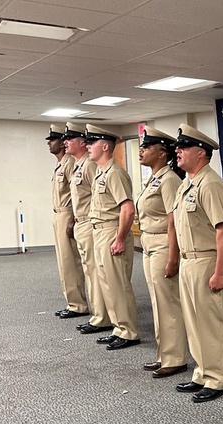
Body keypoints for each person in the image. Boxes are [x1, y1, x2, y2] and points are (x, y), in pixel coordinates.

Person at [171, 124, 223, 403]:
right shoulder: (186, 184)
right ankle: (202, 372)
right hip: (189, 261)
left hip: (207, 260)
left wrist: (221, 272)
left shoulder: (211, 185)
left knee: (211, 322)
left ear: (202, 154)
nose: (178, 151)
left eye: (184, 148)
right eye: (178, 147)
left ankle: (218, 379)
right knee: (194, 322)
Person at [136, 126, 187, 378]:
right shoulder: (154, 178)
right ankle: (163, 353)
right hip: (149, 244)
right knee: (157, 301)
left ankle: (175, 357)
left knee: (168, 303)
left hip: (163, 244)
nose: (141, 150)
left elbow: (173, 221)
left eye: (147, 147)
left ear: (162, 153)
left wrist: (173, 256)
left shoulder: (169, 180)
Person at [83, 124, 140, 351]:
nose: (88, 146)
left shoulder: (115, 173)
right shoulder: (101, 172)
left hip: (111, 231)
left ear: (105, 146)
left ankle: (129, 331)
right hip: (99, 231)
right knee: (107, 285)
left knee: (118, 285)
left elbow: (127, 209)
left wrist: (119, 239)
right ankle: (118, 327)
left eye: (92, 142)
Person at [64, 122, 113, 337]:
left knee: (95, 272)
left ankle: (102, 317)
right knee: (89, 270)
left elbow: (98, 196)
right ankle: (98, 314)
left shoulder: (89, 166)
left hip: (92, 223)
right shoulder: (78, 165)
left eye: (70, 139)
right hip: (82, 222)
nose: (66, 142)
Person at [47, 124, 88, 320]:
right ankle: (72, 301)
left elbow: (76, 194)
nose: (49, 143)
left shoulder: (70, 163)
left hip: (67, 215)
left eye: (53, 139)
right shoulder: (60, 164)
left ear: (62, 143)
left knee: (70, 262)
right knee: (64, 263)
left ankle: (78, 304)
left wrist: (72, 219)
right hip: (58, 214)